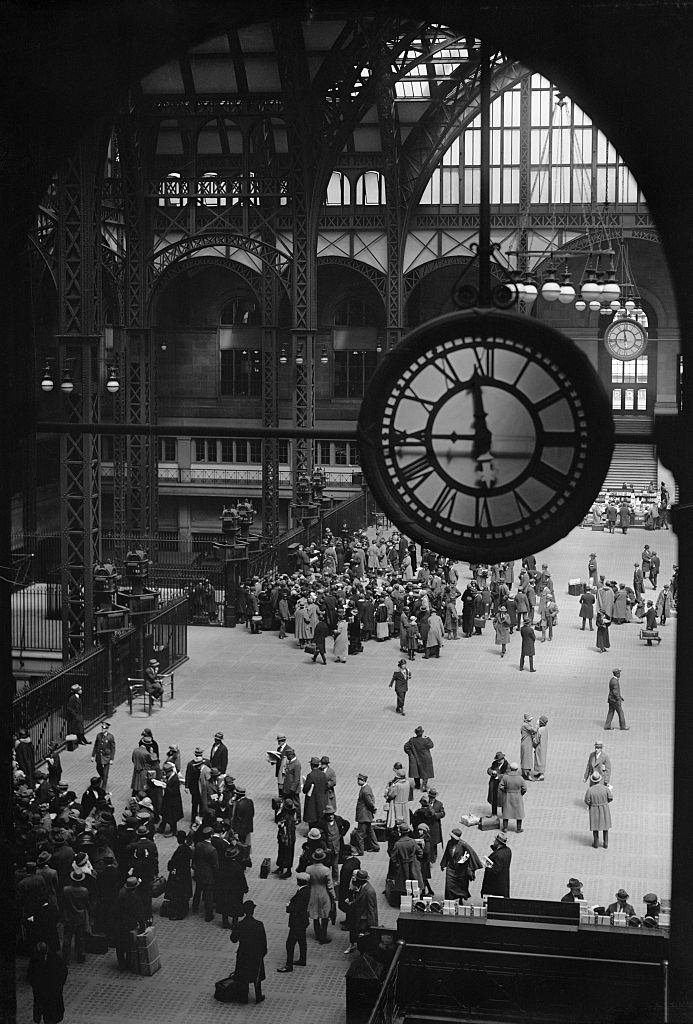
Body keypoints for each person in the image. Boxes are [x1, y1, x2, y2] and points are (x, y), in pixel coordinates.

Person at [230, 901, 267, 1004]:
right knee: (257, 975)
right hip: (256, 954)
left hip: (243, 953)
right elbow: (263, 941)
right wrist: (262, 953)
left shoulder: (240, 925)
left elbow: (233, 939)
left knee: (244, 976)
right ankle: (258, 996)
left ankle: (243, 998)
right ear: (253, 910)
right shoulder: (259, 924)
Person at [277, 872, 311, 972]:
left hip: (297, 922)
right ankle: (302, 959)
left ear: (300, 881)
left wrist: (288, 907)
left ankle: (288, 965)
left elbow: (296, 908)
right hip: (303, 921)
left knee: (290, 944)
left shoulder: (301, 893)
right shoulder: (306, 890)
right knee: (302, 941)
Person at [27, 941, 68, 1024]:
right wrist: (35, 986)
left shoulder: (54, 959)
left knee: (51, 1012)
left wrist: (59, 984)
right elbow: (31, 974)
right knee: (42, 1008)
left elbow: (63, 971)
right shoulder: (35, 960)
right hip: (41, 991)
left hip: (52, 990)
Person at [440, 827, 483, 901]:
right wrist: (443, 864)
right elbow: (446, 853)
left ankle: (460, 898)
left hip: (460, 869)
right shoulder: (449, 843)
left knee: (461, 885)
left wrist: (462, 861)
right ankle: (449, 899)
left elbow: (469, 854)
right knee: (449, 885)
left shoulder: (463, 845)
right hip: (451, 867)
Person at [343, 868, 379, 954]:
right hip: (359, 916)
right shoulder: (363, 887)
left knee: (363, 938)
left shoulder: (369, 891)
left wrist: (372, 924)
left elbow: (372, 908)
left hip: (364, 919)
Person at [306, 848, 336, 944]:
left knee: (315, 914)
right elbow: (330, 886)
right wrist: (333, 896)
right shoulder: (326, 870)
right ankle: (323, 935)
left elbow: (307, 882)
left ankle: (317, 933)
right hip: (324, 893)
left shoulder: (308, 869)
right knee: (324, 914)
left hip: (313, 892)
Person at [216, 846, 248, 930]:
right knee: (235, 906)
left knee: (225, 904)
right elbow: (242, 878)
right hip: (235, 890)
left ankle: (225, 922)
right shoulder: (237, 866)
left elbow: (219, 877)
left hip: (224, 888)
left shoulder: (223, 865)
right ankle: (234, 923)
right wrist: (245, 888)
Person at [61, 870, 89, 963]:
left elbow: (63, 903)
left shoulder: (66, 890)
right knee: (80, 938)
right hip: (80, 916)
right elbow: (86, 903)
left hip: (69, 916)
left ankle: (65, 958)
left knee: (67, 938)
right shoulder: (84, 891)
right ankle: (80, 957)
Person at [192, 825, 219, 921]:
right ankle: (208, 914)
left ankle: (194, 907)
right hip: (208, 875)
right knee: (208, 894)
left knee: (198, 891)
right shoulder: (212, 850)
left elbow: (194, 858)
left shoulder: (198, 845)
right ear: (211, 835)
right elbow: (215, 865)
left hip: (199, 872)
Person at [165, 830, 193, 920]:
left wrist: (171, 866)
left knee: (179, 894)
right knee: (184, 893)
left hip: (179, 876)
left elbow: (176, 862)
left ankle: (179, 913)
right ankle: (184, 909)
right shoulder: (187, 848)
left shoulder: (181, 849)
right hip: (185, 875)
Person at [584, 771, 613, 848]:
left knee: (595, 826)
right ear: (600, 780)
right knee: (605, 826)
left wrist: (591, 804)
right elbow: (610, 797)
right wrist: (605, 802)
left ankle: (596, 842)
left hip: (594, 809)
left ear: (592, 780)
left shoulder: (590, 790)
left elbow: (586, 800)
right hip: (604, 808)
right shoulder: (605, 788)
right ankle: (605, 842)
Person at [353, 773, 380, 854]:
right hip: (367, 815)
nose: (357, 781)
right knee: (370, 831)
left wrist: (373, 809)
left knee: (360, 834)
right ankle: (375, 846)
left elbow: (370, 802)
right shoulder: (367, 788)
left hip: (363, 815)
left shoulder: (365, 791)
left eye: (359, 780)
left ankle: (360, 850)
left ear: (363, 780)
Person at [480, 833, 512, 898]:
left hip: (495, 886)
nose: (493, 841)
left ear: (498, 843)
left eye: (495, 841)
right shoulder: (508, 850)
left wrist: (487, 867)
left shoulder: (498, 855)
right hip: (504, 881)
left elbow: (496, 870)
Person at [404, 726, 435, 791]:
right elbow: (431, 745)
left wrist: (410, 754)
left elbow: (406, 746)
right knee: (425, 772)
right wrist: (428, 738)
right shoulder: (425, 740)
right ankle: (424, 786)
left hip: (416, 758)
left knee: (416, 772)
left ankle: (417, 785)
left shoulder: (412, 740)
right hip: (425, 758)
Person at [498, 762, 526, 833]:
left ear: (510, 768)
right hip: (517, 796)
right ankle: (518, 829)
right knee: (519, 813)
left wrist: (505, 791)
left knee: (506, 813)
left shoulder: (506, 777)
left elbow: (501, 786)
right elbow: (524, 788)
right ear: (517, 769)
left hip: (508, 796)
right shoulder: (520, 778)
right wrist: (521, 793)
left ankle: (505, 828)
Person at [159, 761, 184, 835]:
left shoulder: (175, 779)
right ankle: (162, 827)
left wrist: (165, 787)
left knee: (172, 817)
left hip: (173, 801)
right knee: (166, 814)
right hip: (168, 800)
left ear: (170, 772)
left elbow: (174, 792)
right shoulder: (170, 776)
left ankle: (173, 831)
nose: (165, 775)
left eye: (166, 773)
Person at [274, 798, 297, 879]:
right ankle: (281, 867)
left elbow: (280, 822)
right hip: (284, 836)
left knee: (288, 854)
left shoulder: (289, 816)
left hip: (288, 838)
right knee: (281, 852)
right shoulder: (286, 813)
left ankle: (288, 871)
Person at [184, 747, 208, 822]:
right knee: (195, 804)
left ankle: (201, 819)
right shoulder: (191, 764)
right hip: (195, 788)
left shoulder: (206, 762)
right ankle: (193, 819)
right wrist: (187, 786)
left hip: (203, 789)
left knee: (202, 804)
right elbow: (188, 775)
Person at [303, 757, 329, 825]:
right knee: (319, 816)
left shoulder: (310, 775)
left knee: (311, 816)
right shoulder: (323, 774)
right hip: (321, 799)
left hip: (312, 800)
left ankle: (312, 833)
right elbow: (326, 786)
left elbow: (306, 789)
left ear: (311, 765)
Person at [91, 721, 115, 789]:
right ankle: (102, 777)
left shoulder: (110, 737)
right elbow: (96, 745)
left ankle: (103, 787)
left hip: (107, 756)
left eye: (104, 728)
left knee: (105, 772)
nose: (103, 730)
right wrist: (93, 755)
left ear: (107, 729)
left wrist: (111, 759)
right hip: (99, 756)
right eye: (102, 728)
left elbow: (113, 748)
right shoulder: (99, 735)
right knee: (98, 768)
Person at [486, 751, 508, 816]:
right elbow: (489, 769)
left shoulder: (507, 766)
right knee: (494, 800)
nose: (498, 762)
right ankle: (494, 814)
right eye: (497, 760)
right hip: (494, 785)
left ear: (503, 759)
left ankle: (504, 814)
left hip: (502, 786)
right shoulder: (494, 764)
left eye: (499, 760)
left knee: (503, 801)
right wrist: (492, 772)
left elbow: (507, 775)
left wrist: (498, 776)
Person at [519, 714, 536, 780]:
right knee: (527, 759)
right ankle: (528, 775)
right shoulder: (525, 725)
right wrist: (538, 725)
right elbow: (534, 730)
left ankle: (524, 773)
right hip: (526, 744)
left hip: (527, 743)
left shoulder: (526, 724)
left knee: (525, 758)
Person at [532, 715, 549, 780]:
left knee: (539, 760)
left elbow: (536, 740)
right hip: (544, 747)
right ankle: (540, 773)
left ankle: (541, 775)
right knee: (542, 760)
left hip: (539, 748)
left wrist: (533, 740)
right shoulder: (545, 729)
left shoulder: (540, 730)